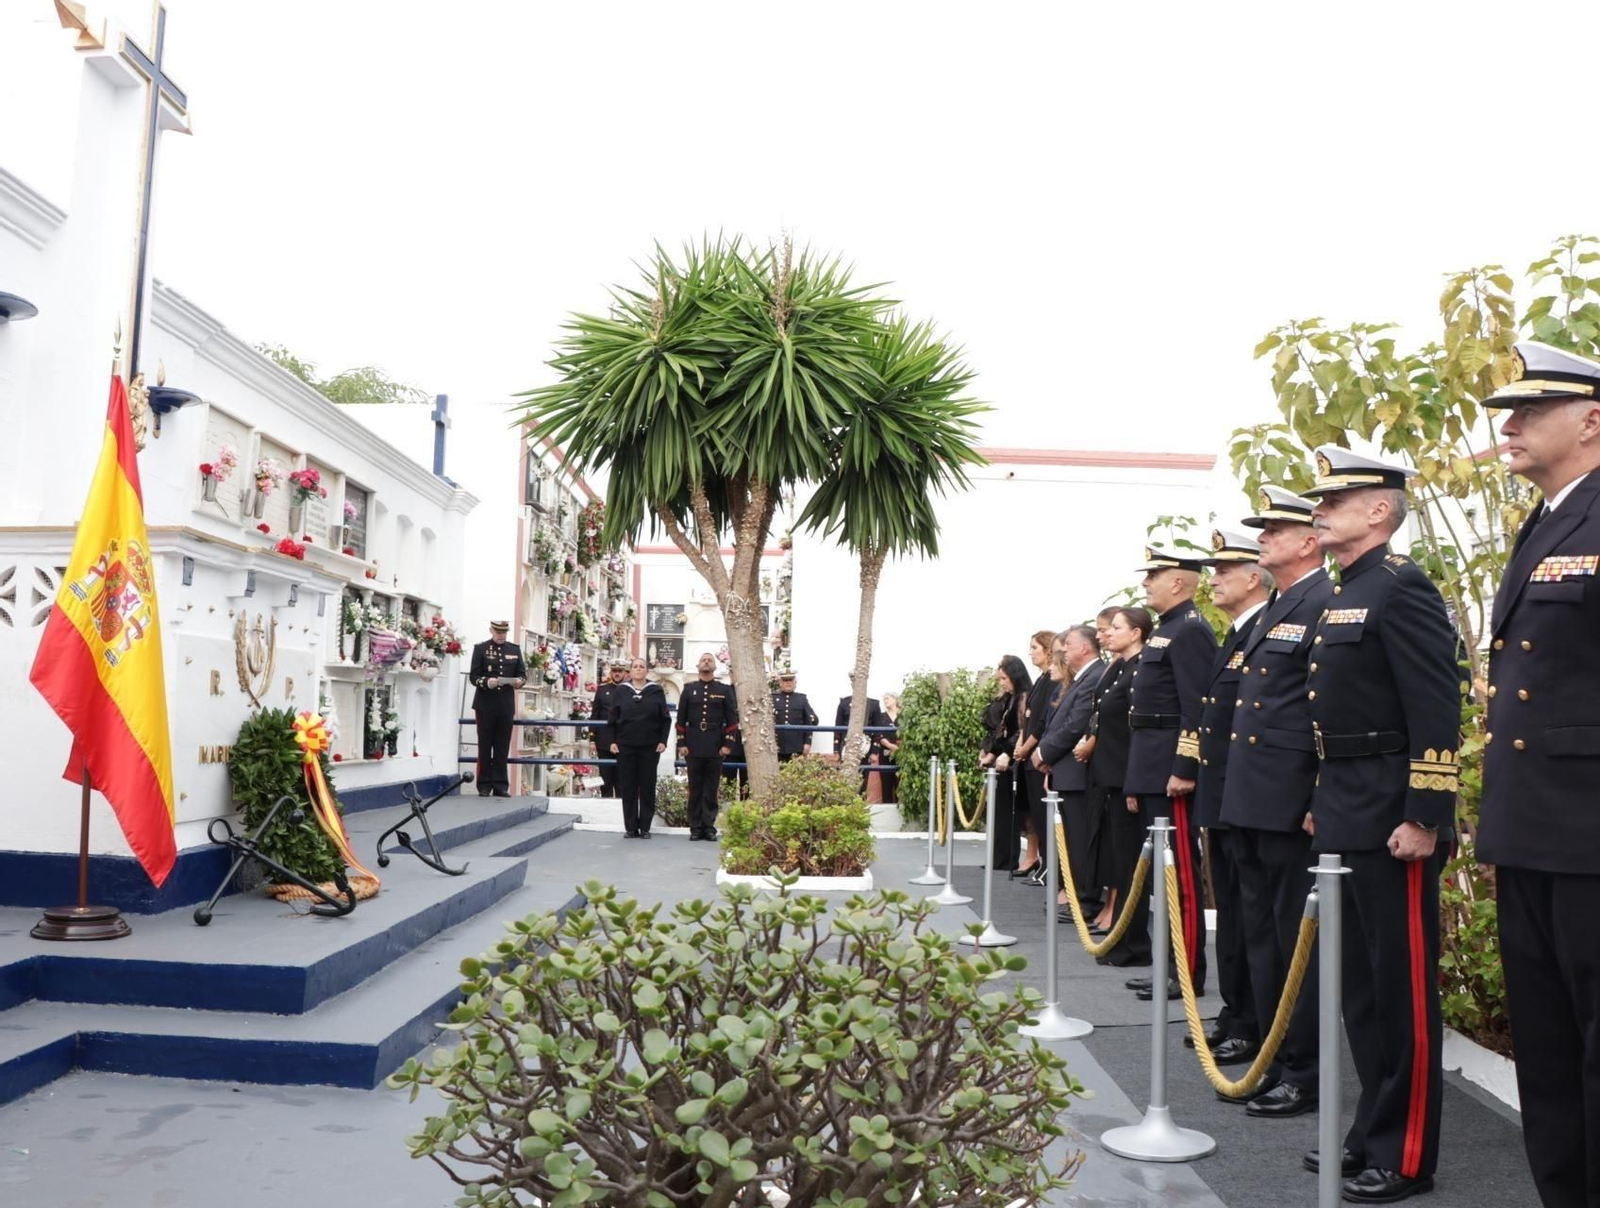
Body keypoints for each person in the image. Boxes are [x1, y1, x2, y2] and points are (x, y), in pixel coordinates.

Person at [1302, 444, 1460, 1204]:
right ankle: (1370, 1129)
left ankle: (1405, 1154)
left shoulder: (1403, 587)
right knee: (1360, 992)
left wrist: (1426, 815)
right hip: (1346, 805)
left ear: (1379, 510)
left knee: (1402, 996)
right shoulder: (1345, 589)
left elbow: (1435, 705)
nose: (1318, 511)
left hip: (1395, 815)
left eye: (1334, 500)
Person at [1475, 341, 1600, 1208]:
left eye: (1529, 412)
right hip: (1534, 832)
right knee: (1548, 1051)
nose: (1509, 427)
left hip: (1592, 832)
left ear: (1592, 418)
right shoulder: (1550, 518)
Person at [1221, 488, 1335, 1115]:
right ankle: (1273, 1051)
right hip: (1252, 797)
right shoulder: (1276, 608)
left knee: (1297, 942)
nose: (1260, 539)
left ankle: (1306, 1069)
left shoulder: (1325, 600)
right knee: (1266, 937)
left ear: (1307, 543)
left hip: (1291, 801)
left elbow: (1327, 710)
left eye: (1272, 531)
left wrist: (1320, 793)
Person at [1190, 527, 1271, 1070]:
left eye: (1224, 570)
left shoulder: (1266, 626)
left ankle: (1253, 1021)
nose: (1213, 579)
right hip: (1222, 794)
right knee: (1237, 917)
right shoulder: (1236, 633)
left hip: (1248, 796)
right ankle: (1237, 1012)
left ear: (1252, 577)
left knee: (1253, 918)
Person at [1124, 547, 1216, 1002]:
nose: (1146, 584)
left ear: (1178, 582)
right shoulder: (1168, 630)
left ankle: (1187, 973)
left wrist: (1184, 766)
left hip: (1170, 771)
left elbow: (1195, 706)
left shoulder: (1191, 632)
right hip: (1151, 764)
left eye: (1153, 576)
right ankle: (1169, 966)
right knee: (1163, 877)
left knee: (1179, 878)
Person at [1087, 606, 1147, 963]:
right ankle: (1124, 939)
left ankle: (1133, 944)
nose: (1108, 633)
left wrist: (1133, 783)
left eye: (1117, 627)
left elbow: (1134, 732)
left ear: (1136, 632)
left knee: (1130, 866)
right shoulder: (1121, 668)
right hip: (1110, 776)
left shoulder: (1138, 670)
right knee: (1122, 863)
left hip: (1125, 776)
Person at [1036, 625, 1105, 922]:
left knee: (1080, 840)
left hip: (1079, 772)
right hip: (1066, 770)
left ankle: (1084, 901)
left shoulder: (1094, 676)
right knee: (1071, 840)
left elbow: (1076, 725)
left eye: (1069, 645)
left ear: (1086, 648)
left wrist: (1043, 752)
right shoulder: (1083, 677)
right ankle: (1075, 897)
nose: (1063, 651)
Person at [676, 653, 740, 841]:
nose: (706, 662)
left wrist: (728, 744)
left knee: (712, 787)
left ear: (714, 667)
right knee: (695, 787)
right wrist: (681, 743)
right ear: (697, 665)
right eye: (703, 659)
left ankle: (709, 826)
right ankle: (695, 827)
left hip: (715, 743)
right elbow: (680, 720)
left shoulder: (724, 689)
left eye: (709, 660)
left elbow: (732, 720)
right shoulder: (689, 690)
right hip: (694, 743)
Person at [607, 656, 670, 839]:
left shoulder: (656, 691)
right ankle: (631, 828)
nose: (639, 669)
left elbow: (665, 719)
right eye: (635, 666)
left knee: (648, 786)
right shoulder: (621, 691)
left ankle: (645, 828)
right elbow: (612, 720)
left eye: (642, 666)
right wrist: (612, 741)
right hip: (625, 746)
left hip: (649, 747)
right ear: (631, 671)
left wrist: (663, 741)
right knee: (628, 787)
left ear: (646, 671)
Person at [980, 656, 1031, 872]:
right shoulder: (1009, 699)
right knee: (999, 812)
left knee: (1010, 813)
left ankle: (1007, 859)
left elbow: (1021, 730)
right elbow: (1002, 730)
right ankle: (998, 858)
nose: (1002, 683)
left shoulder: (1024, 697)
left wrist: (1007, 753)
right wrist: (991, 753)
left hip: (1015, 762)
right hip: (1003, 759)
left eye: (1005, 678)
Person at [1015, 632, 1057, 886]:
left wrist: (1028, 747)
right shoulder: (1042, 680)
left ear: (1048, 650)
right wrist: (1022, 742)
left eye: (1035, 647)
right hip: (1029, 754)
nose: (1031, 652)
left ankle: (1049, 867)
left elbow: (1042, 723)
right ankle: (1042, 863)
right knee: (1035, 815)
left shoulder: (1053, 680)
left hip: (1039, 755)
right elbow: (1028, 718)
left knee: (1044, 814)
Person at [469, 621, 526, 798]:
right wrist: (487, 682)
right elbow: (474, 676)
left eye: (504, 632)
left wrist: (519, 681)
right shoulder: (481, 649)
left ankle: (501, 785)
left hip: (505, 705)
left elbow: (523, 674)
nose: (501, 635)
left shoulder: (514, 650)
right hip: (485, 704)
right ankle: (484, 785)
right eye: (498, 632)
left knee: (502, 746)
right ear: (491, 631)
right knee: (485, 745)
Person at [591, 661, 628, 798]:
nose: (617, 673)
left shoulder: (629, 690)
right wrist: (591, 739)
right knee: (605, 778)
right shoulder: (602, 690)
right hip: (604, 739)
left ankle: (621, 807)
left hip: (623, 740)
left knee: (621, 780)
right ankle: (605, 803)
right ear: (611, 672)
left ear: (625, 673)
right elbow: (595, 715)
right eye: (615, 671)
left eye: (620, 671)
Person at [771, 671, 818, 761]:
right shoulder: (772, 698)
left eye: (791, 680)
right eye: (785, 680)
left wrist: (807, 742)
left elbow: (811, 721)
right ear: (780, 683)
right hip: (776, 745)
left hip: (796, 746)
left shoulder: (801, 699)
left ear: (795, 683)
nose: (788, 682)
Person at [878, 691, 902, 804]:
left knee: (900, 782)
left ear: (895, 699)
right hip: (885, 753)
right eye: (884, 699)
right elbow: (878, 735)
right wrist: (889, 745)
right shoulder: (882, 717)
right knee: (886, 783)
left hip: (901, 753)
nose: (885, 701)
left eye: (887, 698)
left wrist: (899, 747)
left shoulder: (903, 716)